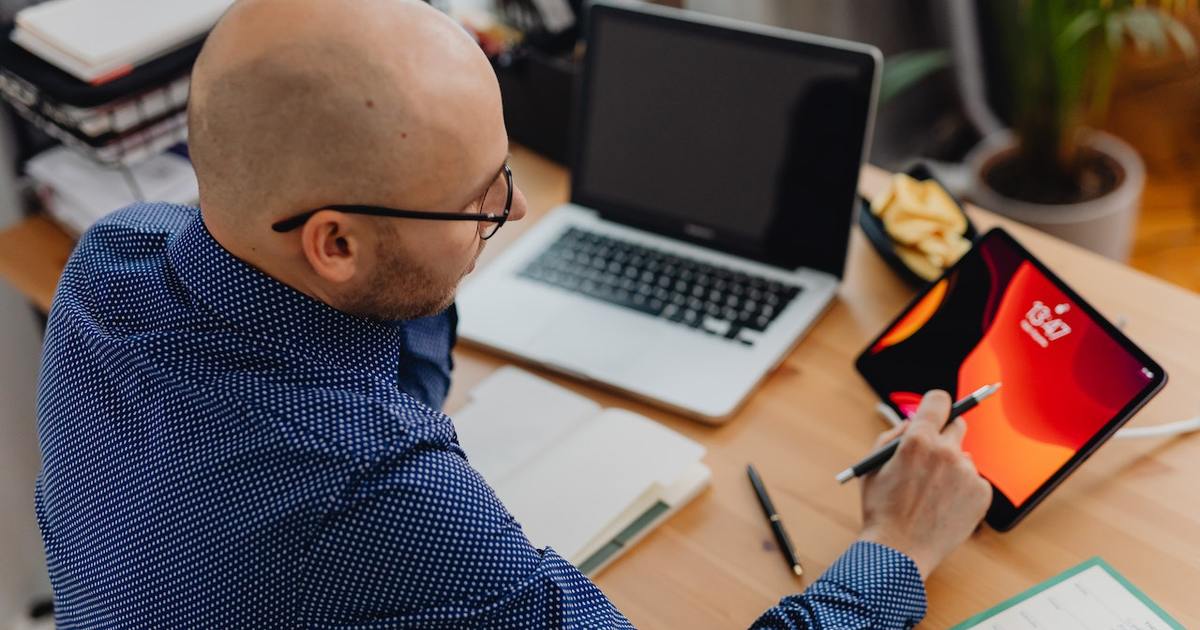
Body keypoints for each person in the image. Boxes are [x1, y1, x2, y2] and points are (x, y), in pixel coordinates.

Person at [33, 0, 992, 627]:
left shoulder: (114, 258)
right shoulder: (374, 499)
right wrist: (893, 550)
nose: (517, 210)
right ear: (333, 244)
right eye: (481, 198)